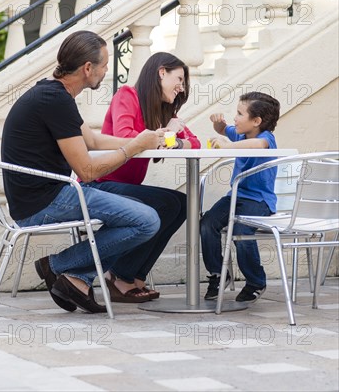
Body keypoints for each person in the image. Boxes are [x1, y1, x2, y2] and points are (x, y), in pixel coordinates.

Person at [1, 30, 165, 314]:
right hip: (44, 202)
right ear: (88, 68)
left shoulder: (53, 92)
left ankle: (78, 277)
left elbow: (93, 141)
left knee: (139, 211)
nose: (106, 71)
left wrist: (142, 140)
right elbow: (87, 170)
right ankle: (57, 266)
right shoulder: (55, 100)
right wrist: (134, 148)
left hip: (43, 196)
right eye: (104, 64)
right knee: (147, 220)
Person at [90, 52, 201, 302]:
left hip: (125, 187)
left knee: (182, 204)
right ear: (162, 72)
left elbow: (195, 142)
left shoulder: (162, 112)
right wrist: (167, 133)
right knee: (166, 204)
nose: (181, 88)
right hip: (100, 184)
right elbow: (127, 135)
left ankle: (133, 277)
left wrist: (174, 139)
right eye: (179, 79)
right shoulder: (127, 96)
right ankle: (121, 277)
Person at [200, 91, 280, 303]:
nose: (235, 118)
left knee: (241, 231)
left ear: (256, 121)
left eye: (239, 113)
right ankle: (219, 274)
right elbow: (225, 130)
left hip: (259, 202)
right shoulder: (242, 134)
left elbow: (258, 146)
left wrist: (227, 146)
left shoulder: (266, 139)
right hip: (235, 197)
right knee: (207, 223)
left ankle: (255, 281)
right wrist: (219, 125)